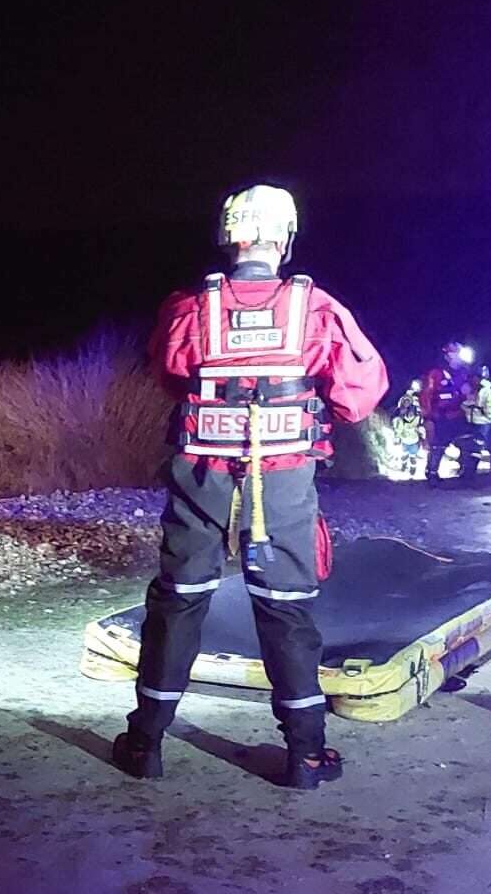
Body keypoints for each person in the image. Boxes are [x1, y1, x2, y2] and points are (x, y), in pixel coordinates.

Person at [113, 183, 388, 790]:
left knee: (180, 598)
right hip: (283, 480)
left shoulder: (190, 308)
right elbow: (361, 393)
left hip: (202, 476)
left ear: (227, 236)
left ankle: (146, 742)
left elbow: (168, 372)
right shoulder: (318, 310)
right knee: (286, 609)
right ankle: (305, 756)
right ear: (285, 238)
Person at [422, 342, 476, 485]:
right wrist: (428, 416)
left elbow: (471, 393)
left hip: (459, 414)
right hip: (441, 416)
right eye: (455, 353)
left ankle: (467, 474)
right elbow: (427, 394)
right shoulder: (436, 374)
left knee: (469, 442)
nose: (458, 356)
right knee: (438, 445)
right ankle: (432, 474)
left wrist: (468, 393)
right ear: (448, 356)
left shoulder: (464, 373)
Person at [462, 364, 491, 479]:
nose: (472, 380)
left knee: (476, 449)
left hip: (481, 424)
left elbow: (489, 411)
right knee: (468, 447)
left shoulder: (486, 391)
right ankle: (466, 471)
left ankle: (471, 474)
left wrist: (472, 409)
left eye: (475, 377)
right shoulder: (471, 390)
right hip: (471, 422)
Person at [391, 394, 427, 479]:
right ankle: (404, 466)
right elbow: (396, 426)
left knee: (412, 456)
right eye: (405, 401)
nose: (406, 403)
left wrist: (422, 435)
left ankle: (412, 469)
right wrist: (397, 437)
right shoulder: (398, 415)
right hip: (404, 439)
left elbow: (420, 425)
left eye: (408, 401)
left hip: (414, 439)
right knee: (404, 455)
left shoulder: (416, 414)